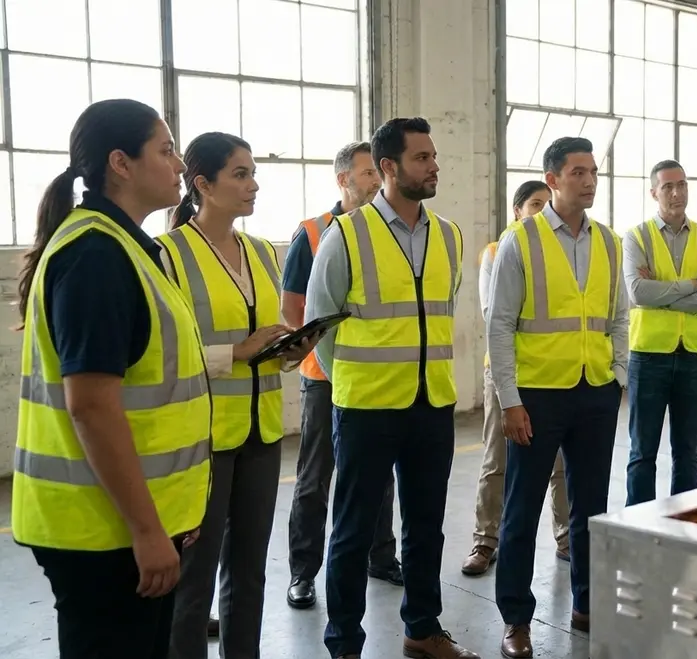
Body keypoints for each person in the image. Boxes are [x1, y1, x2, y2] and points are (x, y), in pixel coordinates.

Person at [10, 98, 211, 659]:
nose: (178, 166)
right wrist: (149, 531)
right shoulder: (96, 255)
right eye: (166, 150)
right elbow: (91, 407)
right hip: (102, 533)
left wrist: (171, 517)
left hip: (129, 520)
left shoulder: (128, 247)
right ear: (120, 163)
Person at [306, 117, 478, 659]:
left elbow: (440, 308)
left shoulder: (448, 235)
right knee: (354, 532)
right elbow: (320, 326)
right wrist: (356, 384)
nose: (434, 166)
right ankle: (344, 644)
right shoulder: (347, 235)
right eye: (421, 157)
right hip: (366, 410)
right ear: (388, 167)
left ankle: (422, 629)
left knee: (426, 526)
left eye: (433, 156)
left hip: (432, 404)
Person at [157, 131, 315, 659]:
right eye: (240, 175)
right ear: (202, 184)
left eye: (253, 174)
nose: (254, 185)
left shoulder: (263, 251)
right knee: (194, 581)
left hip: (262, 431)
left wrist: (289, 349)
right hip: (201, 439)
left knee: (249, 572)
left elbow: (264, 336)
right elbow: (163, 358)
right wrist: (239, 353)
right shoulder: (169, 255)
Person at [488, 137, 627, 659]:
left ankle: (587, 604)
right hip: (538, 398)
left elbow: (618, 318)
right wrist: (509, 399)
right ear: (552, 180)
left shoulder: (610, 242)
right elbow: (498, 325)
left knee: (592, 509)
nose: (589, 180)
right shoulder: (519, 241)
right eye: (577, 172)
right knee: (521, 510)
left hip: (596, 393)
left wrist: (618, 375)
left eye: (593, 172)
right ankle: (516, 620)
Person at [283, 141, 403, 609]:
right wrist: (329, 358)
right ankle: (302, 572)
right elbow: (294, 309)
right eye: (368, 172)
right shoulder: (314, 233)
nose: (377, 179)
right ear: (343, 180)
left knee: (381, 475)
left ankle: (381, 556)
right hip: (324, 378)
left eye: (379, 171)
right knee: (316, 477)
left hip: (377, 379)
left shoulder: (388, 232)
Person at [462, 180, 571, 577]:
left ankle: (566, 537)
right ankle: (484, 541)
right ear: (516, 210)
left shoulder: (562, 251)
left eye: (547, 204)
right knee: (498, 457)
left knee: (559, 460)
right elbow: (497, 313)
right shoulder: (498, 251)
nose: (542, 211)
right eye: (535, 205)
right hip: (507, 371)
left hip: (555, 373)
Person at [623, 160, 697, 505]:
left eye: (682, 185)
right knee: (642, 451)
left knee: (688, 452)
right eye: (667, 187)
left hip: (693, 355)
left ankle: (683, 523)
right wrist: (693, 284)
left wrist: (662, 292)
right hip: (649, 355)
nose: (677, 193)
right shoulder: (636, 236)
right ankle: (639, 525)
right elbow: (638, 293)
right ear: (653, 193)